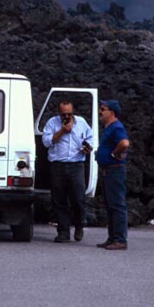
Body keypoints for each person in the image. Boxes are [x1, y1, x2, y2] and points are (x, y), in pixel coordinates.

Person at [42, 100, 94, 243]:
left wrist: (88, 148)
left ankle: (79, 225)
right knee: (59, 199)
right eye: (63, 114)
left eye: (69, 114)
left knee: (78, 198)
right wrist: (62, 131)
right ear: (59, 113)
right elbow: (46, 142)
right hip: (57, 165)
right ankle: (63, 231)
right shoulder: (52, 123)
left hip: (76, 164)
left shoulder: (82, 122)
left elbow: (91, 138)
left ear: (73, 112)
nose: (66, 117)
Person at [95, 100, 130, 250]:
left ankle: (120, 240)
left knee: (117, 205)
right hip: (108, 170)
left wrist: (113, 154)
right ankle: (112, 237)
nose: (100, 112)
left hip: (114, 170)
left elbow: (124, 143)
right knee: (110, 206)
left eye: (103, 109)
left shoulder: (116, 127)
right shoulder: (109, 128)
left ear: (112, 112)